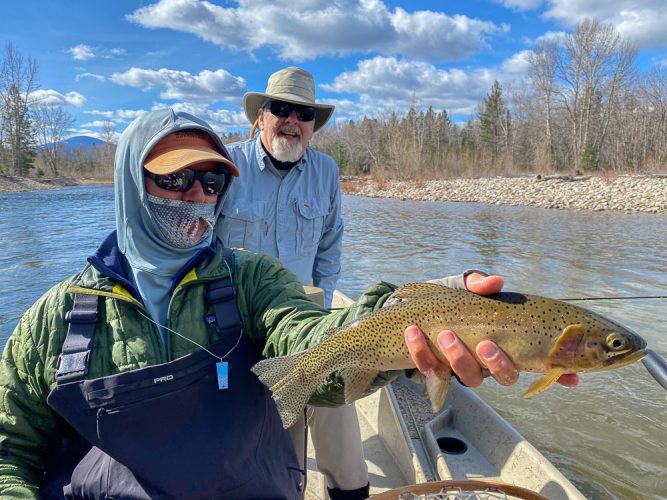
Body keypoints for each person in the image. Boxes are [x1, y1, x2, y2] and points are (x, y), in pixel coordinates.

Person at [0, 108, 574, 499]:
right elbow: (10, 452)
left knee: (333, 413)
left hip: (319, 316)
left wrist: (426, 307)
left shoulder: (253, 280)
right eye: (176, 180)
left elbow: (308, 334)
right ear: (129, 182)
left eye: (211, 182)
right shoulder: (52, 321)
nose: (198, 194)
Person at [214, 66, 363, 499]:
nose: (292, 121)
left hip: (301, 321)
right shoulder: (226, 167)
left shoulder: (327, 172)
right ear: (261, 116)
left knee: (337, 385)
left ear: (313, 126)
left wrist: (323, 309)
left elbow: (330, 246)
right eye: (282, 109)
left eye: (304, 113)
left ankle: (350, 490)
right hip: (234, 322)